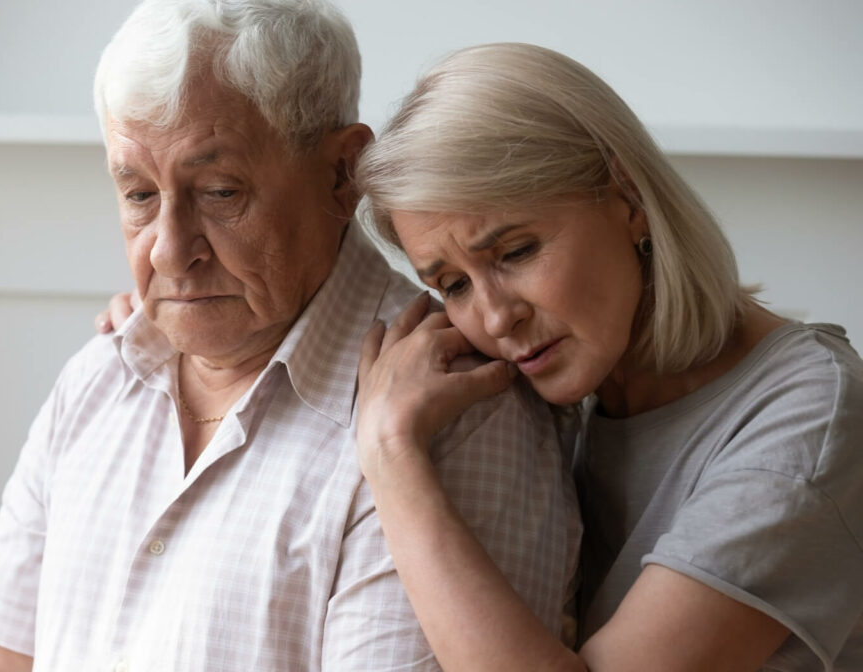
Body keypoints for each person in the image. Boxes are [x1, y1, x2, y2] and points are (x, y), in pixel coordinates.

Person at [0, 4, 580, 671]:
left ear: (342, 175)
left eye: (219, 192)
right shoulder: (99, 376)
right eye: (137, 194)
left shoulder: (454, 409)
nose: (166, 252)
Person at [351, 42, 863, 671]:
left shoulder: (811, 417)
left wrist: (389, 454)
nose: (493, 317)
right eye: (453, 284)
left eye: (515, 252)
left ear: (626, 196)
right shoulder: (558, 405)